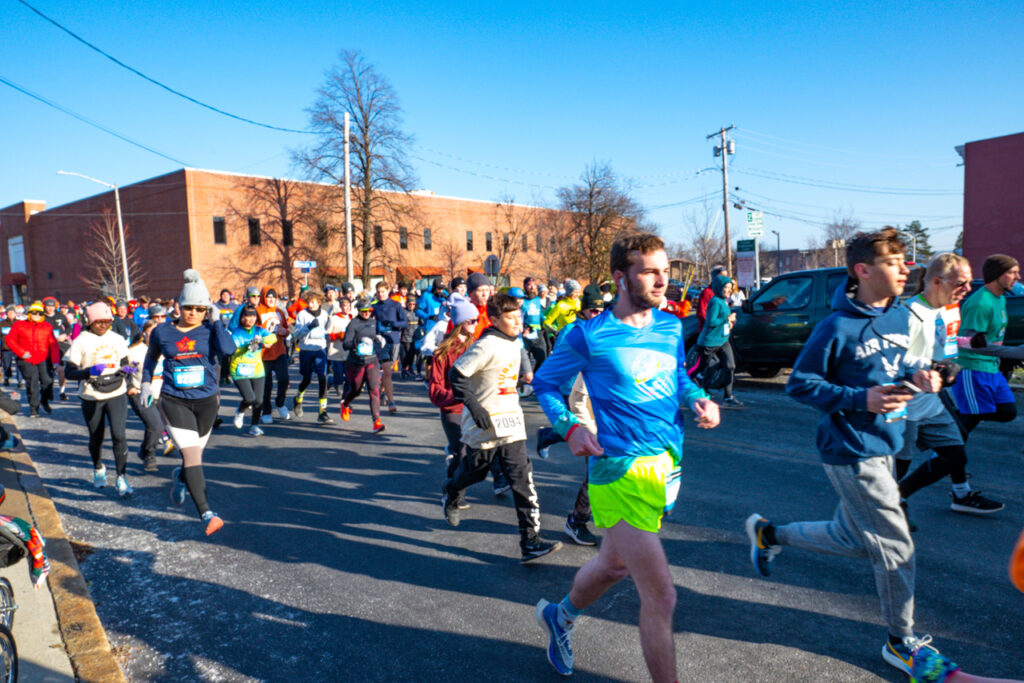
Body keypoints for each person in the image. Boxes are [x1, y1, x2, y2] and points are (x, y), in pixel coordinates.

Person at [746, 227, 944, 676]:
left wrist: (924, 379)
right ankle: (901, 642)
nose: (905, 269)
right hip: (851, 449)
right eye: (894, 263)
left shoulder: (902, 318)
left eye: (904, 261)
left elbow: (910, 367)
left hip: (886, 444)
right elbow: (800, 384)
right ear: (864, 270)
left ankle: (769, 535)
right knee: (895, 547)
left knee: (853, 539)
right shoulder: (836, 326)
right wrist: (860, 399)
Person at [532, 233, 719, 681]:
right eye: (650, 272)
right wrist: (570, 427)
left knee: (614, 564)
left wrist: (698, 397)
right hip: (618, 469)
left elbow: (677, 376)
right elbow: (544, 384)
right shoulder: (587, 335)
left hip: (665, 464)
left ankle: (560, 616)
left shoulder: (671, 326)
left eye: (665, 271)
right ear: (620, 277)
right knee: (662, 596)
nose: (662, 281)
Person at [442, 293, 563, 563]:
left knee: (523, 480)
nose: (518, 321)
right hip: (484, 424)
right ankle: (451, 490)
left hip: (512, 422)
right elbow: (457, 376)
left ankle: (530, 541)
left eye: (519, 316)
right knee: (474, 473)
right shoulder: (486, 345)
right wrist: (476, 408)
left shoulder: (514, 342)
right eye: (510, 317)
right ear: (495, 320)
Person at [891, 253, 1003, 522]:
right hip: (904, 408)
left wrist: (960, 353)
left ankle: (899, 496)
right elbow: (897, 365)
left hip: (932, 403)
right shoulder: (911, 314)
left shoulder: (946, 310)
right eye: (961, 283)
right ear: (938, 281)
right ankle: (876, 511)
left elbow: (946, 348)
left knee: (954, 454)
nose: (967, 289)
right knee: (897, 466)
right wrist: (934, 368)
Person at [142, 269, 236, 536]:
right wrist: (146, 384)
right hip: (174, 401)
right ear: (179, 307)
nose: (193, 312)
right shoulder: (162, 332)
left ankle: (181, 478)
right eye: (188, 308)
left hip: (207, 402)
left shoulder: (210, 330)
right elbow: (150, 359)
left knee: (193, 457)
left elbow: (228, 351)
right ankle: (207, 513)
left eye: (199, 308)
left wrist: (217, 323)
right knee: (192, 455)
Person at [64, 301, 136, 494]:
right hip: (91, 395)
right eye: (99, 322)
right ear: (90, 322)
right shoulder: (82, 340)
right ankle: (98, 468)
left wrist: (128, 369)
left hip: (116, 391)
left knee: (119, 436)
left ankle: (121, 477)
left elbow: (125, 362)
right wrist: (88, 372)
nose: (103, 326)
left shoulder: (117, 339)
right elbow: (69, 372)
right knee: (96, 436)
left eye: (107, 322)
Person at [951, 254, 1019, 438]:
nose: (1018, 277)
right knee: (968, 420)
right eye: (1012, 273)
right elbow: (970, 343)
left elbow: (993, 338)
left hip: (990, 367)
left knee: (1007, 412)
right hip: (972, 369)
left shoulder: (1000, 298)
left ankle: (954, 420)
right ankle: (944, 462)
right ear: (997, 274)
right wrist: (1014, 352)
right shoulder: (981, 303)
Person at [428, 300, 479, 508]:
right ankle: (454, 492)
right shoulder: (442, 352)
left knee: (478, 455)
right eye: (472, 320)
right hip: (453, 409)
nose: (476, 324)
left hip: (475, 408)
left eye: (477, 320)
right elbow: (435, 392)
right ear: (460, 322)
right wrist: (459, 394)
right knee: (462, 452)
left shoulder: (478, 346)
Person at [692, 273, 742, 407]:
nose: (730, 290)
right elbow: (711, 321)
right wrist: (727, 319)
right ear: (720, 287)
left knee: (730, 366)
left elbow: (725, 320)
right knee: (703, 367)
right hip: (710, 342)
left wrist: (731, 322)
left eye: (731, 288)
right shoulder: (715, 301)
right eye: (727, 287)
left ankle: (728, 396)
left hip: (723, 340)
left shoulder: (724, 301)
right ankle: (700, 388)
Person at [228, 304, 277, 435]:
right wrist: (256, 343)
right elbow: (244, 348)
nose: (250, 319)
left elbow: (273, 337)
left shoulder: (259, 330)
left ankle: (254, 425)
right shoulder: (236, 333)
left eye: (253, 316)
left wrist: (267, 341)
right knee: (249, 398)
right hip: (239, 369)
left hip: (257, 369)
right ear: (241, 317)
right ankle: (240, 411)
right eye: (247, 315)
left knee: (259, 400)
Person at [340, 297, 386, 433]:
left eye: (369, 310)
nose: (366, 313)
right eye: (363, 310)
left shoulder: (373, 321)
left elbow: (374, 334)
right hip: (356, 363)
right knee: (356, 390)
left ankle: (376, 422)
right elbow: (345, 344)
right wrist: (359, 341)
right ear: (358, 310)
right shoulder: (353, 323)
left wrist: (378, 337)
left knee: (374, 389)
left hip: (371, 361)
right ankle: (345, 403)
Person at [7, 301, 59, 417]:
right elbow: (10, 340)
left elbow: (53, 344)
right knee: (32, 383)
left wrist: (55, 360)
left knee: (47, 381)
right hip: (26, 360)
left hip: (43, 358)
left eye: (40, 314)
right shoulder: (19, 325)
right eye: (34, 313)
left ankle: (44, 400)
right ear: (30, 314)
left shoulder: (47, 326)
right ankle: (34, 408)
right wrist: (21, 352)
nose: (37, 316)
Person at [126, 319, 165, 471]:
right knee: (156, 426)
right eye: (151, 333)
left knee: (157, 426)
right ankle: (149, 456)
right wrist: (129, 387)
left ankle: (144, 450)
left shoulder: (167, 349)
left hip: (162, 394)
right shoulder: (135, 352)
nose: (154, 336)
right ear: (144, 333)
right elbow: (124, 371)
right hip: (140, 393)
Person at [292, 291, 333, 424]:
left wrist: (327, 334)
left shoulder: (325, 314)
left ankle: (322, 412)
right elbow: (296, 335)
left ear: (319, 303)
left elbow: (327, 329)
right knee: (307, 379)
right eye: (308, 302)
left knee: (323, 378)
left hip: (320, 349)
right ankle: (298, 399)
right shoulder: (302, 315)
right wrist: (308, 327)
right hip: (306, 350)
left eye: (313, 302)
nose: (310, 304)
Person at [256, 287, 292, 423]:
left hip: (279, 352)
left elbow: (287, 331)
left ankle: (280, 403)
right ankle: (266, 411)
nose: (271, 300)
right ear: (263, 298)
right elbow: (252, 332)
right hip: (263, 354)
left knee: (284, 379)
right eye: (268, 297)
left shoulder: (279, 312)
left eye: (273, 297)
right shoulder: (258, 311)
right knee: (267, 385)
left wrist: (284, 332)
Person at [373, 281, 408, 413]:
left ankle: (383, 391)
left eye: (382, 291)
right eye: (378, 292)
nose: (380, 294)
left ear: (388, 291)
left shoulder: (396, 305)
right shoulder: (374, 307)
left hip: (394, 341)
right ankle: (391, 401)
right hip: (380, 341)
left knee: (388, 372)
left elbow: (405, 322)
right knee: (386, 371)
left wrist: (394, 324)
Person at [42, 296, 72, 401]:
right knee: (48, 371)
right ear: (44, 307)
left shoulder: (60, 316)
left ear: (55, 307)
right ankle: (48, 390)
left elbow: (68, 327)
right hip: (46, 347)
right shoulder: (41, 317)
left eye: (52, 306)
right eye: (48, 306)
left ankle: (62, 391)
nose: (50, 308)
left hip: (59, 345)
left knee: (60, 369)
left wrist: (65, 335)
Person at [326, 297, 352, 397]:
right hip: (336, 353)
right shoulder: (333, 319)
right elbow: (327, 335)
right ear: (340, 307)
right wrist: (337, 335)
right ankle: (332, 380)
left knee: (349, 378)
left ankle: (346, 400)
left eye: (349, 306)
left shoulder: (352, 319)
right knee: (339, 377)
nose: (347, 308)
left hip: (349, 354)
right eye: (345, 306)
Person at [521, 277, 548, 370]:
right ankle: (524, 381)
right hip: (526, 335)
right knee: (524, 362)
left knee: (543, 359)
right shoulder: (522, 301)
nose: (532, 287)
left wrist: (547, 326)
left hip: (538, 334)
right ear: (525, 287)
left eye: (534, 285)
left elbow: (541, 315)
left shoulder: (537, 299)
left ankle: (535, 378)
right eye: (529, 285)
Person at [696, 265, 728, 332]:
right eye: (723, 276)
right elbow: (701, 313)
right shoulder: (707, 292)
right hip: (710, 333)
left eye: (726, 276)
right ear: (715, 277)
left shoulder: (724, 292)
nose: (725, 278)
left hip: (722, 332)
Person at [400, 295, 422, 379]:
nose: (412, 306)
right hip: (406, 337)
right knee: (409, 355)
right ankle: (404, 369)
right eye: (410, 304)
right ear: (407, 304)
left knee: (417, 354)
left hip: (416, 337)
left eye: (413, 304)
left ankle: (414, 370)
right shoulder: (404, 312)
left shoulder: (417, 312)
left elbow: (421, 323)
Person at [0, 305, 22, 388]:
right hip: (6, 348)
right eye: (9, 313)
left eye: (13, 312)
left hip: (18, 348)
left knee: (19, 364)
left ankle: (20, 381)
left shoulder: (20, 323)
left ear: (15, 313)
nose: (11, 314)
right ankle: (7, 377)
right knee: (6, 365)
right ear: (7, 314)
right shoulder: (2, 323)